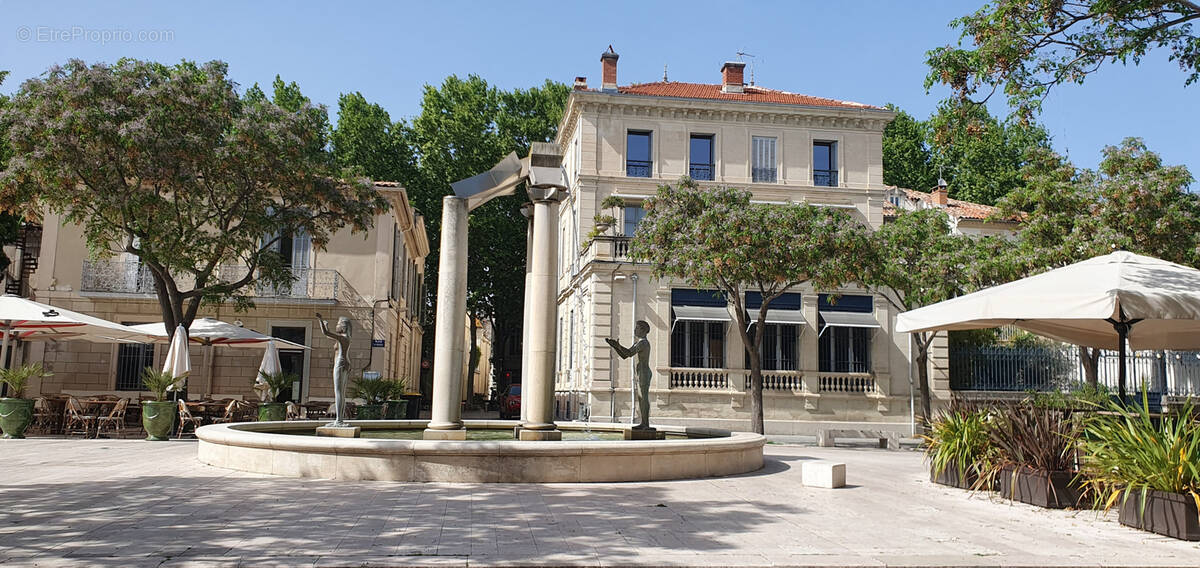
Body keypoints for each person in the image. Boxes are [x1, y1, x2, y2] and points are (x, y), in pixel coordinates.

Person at [605, 320, 653, 429]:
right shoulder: (638, 342)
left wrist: (618, 345)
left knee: (643, 398)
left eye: (637, 328)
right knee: (641, 398)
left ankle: (646, 424)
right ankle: (644, 423)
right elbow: (624, 355)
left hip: (644, 373)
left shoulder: (643, 343)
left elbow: (629, 353)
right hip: (640, 373)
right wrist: (615, 346)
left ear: (644, 330)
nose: (635, 330)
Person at [316, 313, 352, 425]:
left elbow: (326, 333)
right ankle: (340, 419)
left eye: (338, 324)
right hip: (345, 363)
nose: (337, 326)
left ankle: (339, 420)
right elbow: (328, 335)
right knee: (342, 392)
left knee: (338, 392)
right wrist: (326, 326)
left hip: (340, 363)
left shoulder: (342, 337)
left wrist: (320, 320)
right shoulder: (345, 338)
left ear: (343, 327)